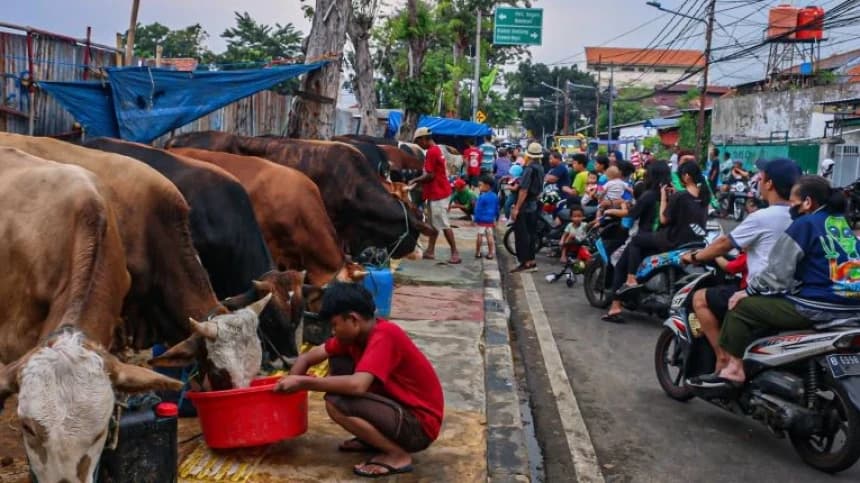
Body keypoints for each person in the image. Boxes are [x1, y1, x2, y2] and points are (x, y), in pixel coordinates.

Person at [692, 176, 860, 388]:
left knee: (740, 306)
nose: (791, 206)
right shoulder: (840, 223)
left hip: (818, 307)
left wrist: (748, 291)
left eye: (793, 201)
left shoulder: (804, 224)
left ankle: (733, 368)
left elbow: (778, 273)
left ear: (807, 202)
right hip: (853, 307)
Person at [274, 282, 444, 478]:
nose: (332, 331)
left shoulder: (385, 335)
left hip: (420, 427)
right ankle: (373, 439)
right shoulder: (354, 337)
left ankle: (396, 455)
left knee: (336, 402)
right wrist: (286, 395)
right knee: (339, 361)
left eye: (335, 325)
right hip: (400, 410)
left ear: (353, 319)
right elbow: (307, 357)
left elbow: (357, 386)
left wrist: (304, 383)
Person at [681, 158, 800, 371]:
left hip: (761, 292)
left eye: (761, 178)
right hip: (795, 293)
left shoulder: (762, 217)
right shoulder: (803, 217)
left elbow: (724, 244)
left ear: (769, 184)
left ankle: (723, 357)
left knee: (700, 298)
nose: (758, 182)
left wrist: (696, 257)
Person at [602, 161, 710, 323]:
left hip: (662, 239)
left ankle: (619, 300)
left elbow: (656, 218)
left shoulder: (658, 195)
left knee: (624, 260)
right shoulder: (700, 196)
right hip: (691, 241)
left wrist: (615, 214)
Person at [409, 127, 462, 264]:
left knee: (443, 224)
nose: (419, 145)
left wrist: (415, 181)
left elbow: (430, 175)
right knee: (433, 223)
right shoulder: (436, 149)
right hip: (437, 191)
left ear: (424, 139)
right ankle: (430, 250)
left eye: (418, 142)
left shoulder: (432, 152)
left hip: (438, 192)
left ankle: (455, 252)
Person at [510, 142, 546, 273]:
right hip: (534, 204)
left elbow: (523, 190)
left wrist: (516, 208)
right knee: (531, 234)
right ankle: (531, 261)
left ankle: (525, 262)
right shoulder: (540, 168)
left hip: (525, 205)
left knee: (522, 235)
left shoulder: (529, 169)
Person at [474, 175, 500, 259]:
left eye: (481, 185)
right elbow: (497, 208)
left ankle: (478, 252)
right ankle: (490, 253)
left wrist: (475, 219)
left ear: (487, 186)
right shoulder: (495, 196)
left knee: (479, 235)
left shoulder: (482, 197)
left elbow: (477, 209)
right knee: (490, 236)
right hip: (490, 220)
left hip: (481, 219)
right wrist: (496, 218)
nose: (479, 187)